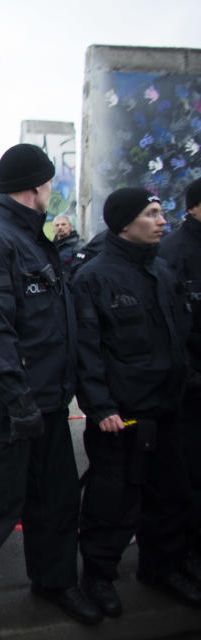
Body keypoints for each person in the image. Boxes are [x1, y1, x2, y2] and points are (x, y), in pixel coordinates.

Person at [0, 144, 101, 640]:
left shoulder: (33, 239)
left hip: (50, 404)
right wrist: (16, 399)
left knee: (55, 502)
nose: (52, 192)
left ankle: (55, 581)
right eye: (50, 184)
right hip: (7, 409)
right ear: (36, 187)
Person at [73, 187, 199, 617]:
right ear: (125, 223)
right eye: (152, 213)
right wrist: (101, 407)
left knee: (171, 495)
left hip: (168, 409)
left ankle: (162, 568)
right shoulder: (93, 278)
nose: (163, 221)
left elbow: (177, 339)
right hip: (121, 417)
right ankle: (99, 575)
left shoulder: (163, 272)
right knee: (112, 501)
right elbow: (86, 351)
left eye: (162, 212)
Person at [159, 176, 201, 584]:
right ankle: (179, 555)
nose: (158, 221)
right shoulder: (173, 255)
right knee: (185, 476)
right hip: (187, 387)